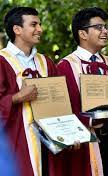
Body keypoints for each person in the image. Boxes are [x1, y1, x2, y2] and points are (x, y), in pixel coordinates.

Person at [57, 7, 108, 176]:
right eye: (99, 27)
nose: (105, 31)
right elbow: (63, 109)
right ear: (83, 34)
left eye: (106, 27)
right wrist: (90, 121)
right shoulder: (66, 66)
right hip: (86, 142)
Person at [0, 7, 58, 176]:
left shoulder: (45, 62)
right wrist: (17, 97)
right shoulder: (2, 61)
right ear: (17, 29)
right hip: (16, 142)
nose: (40, 29)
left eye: (39, 24)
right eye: (34, 24)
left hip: (49, 143)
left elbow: (60, 101)